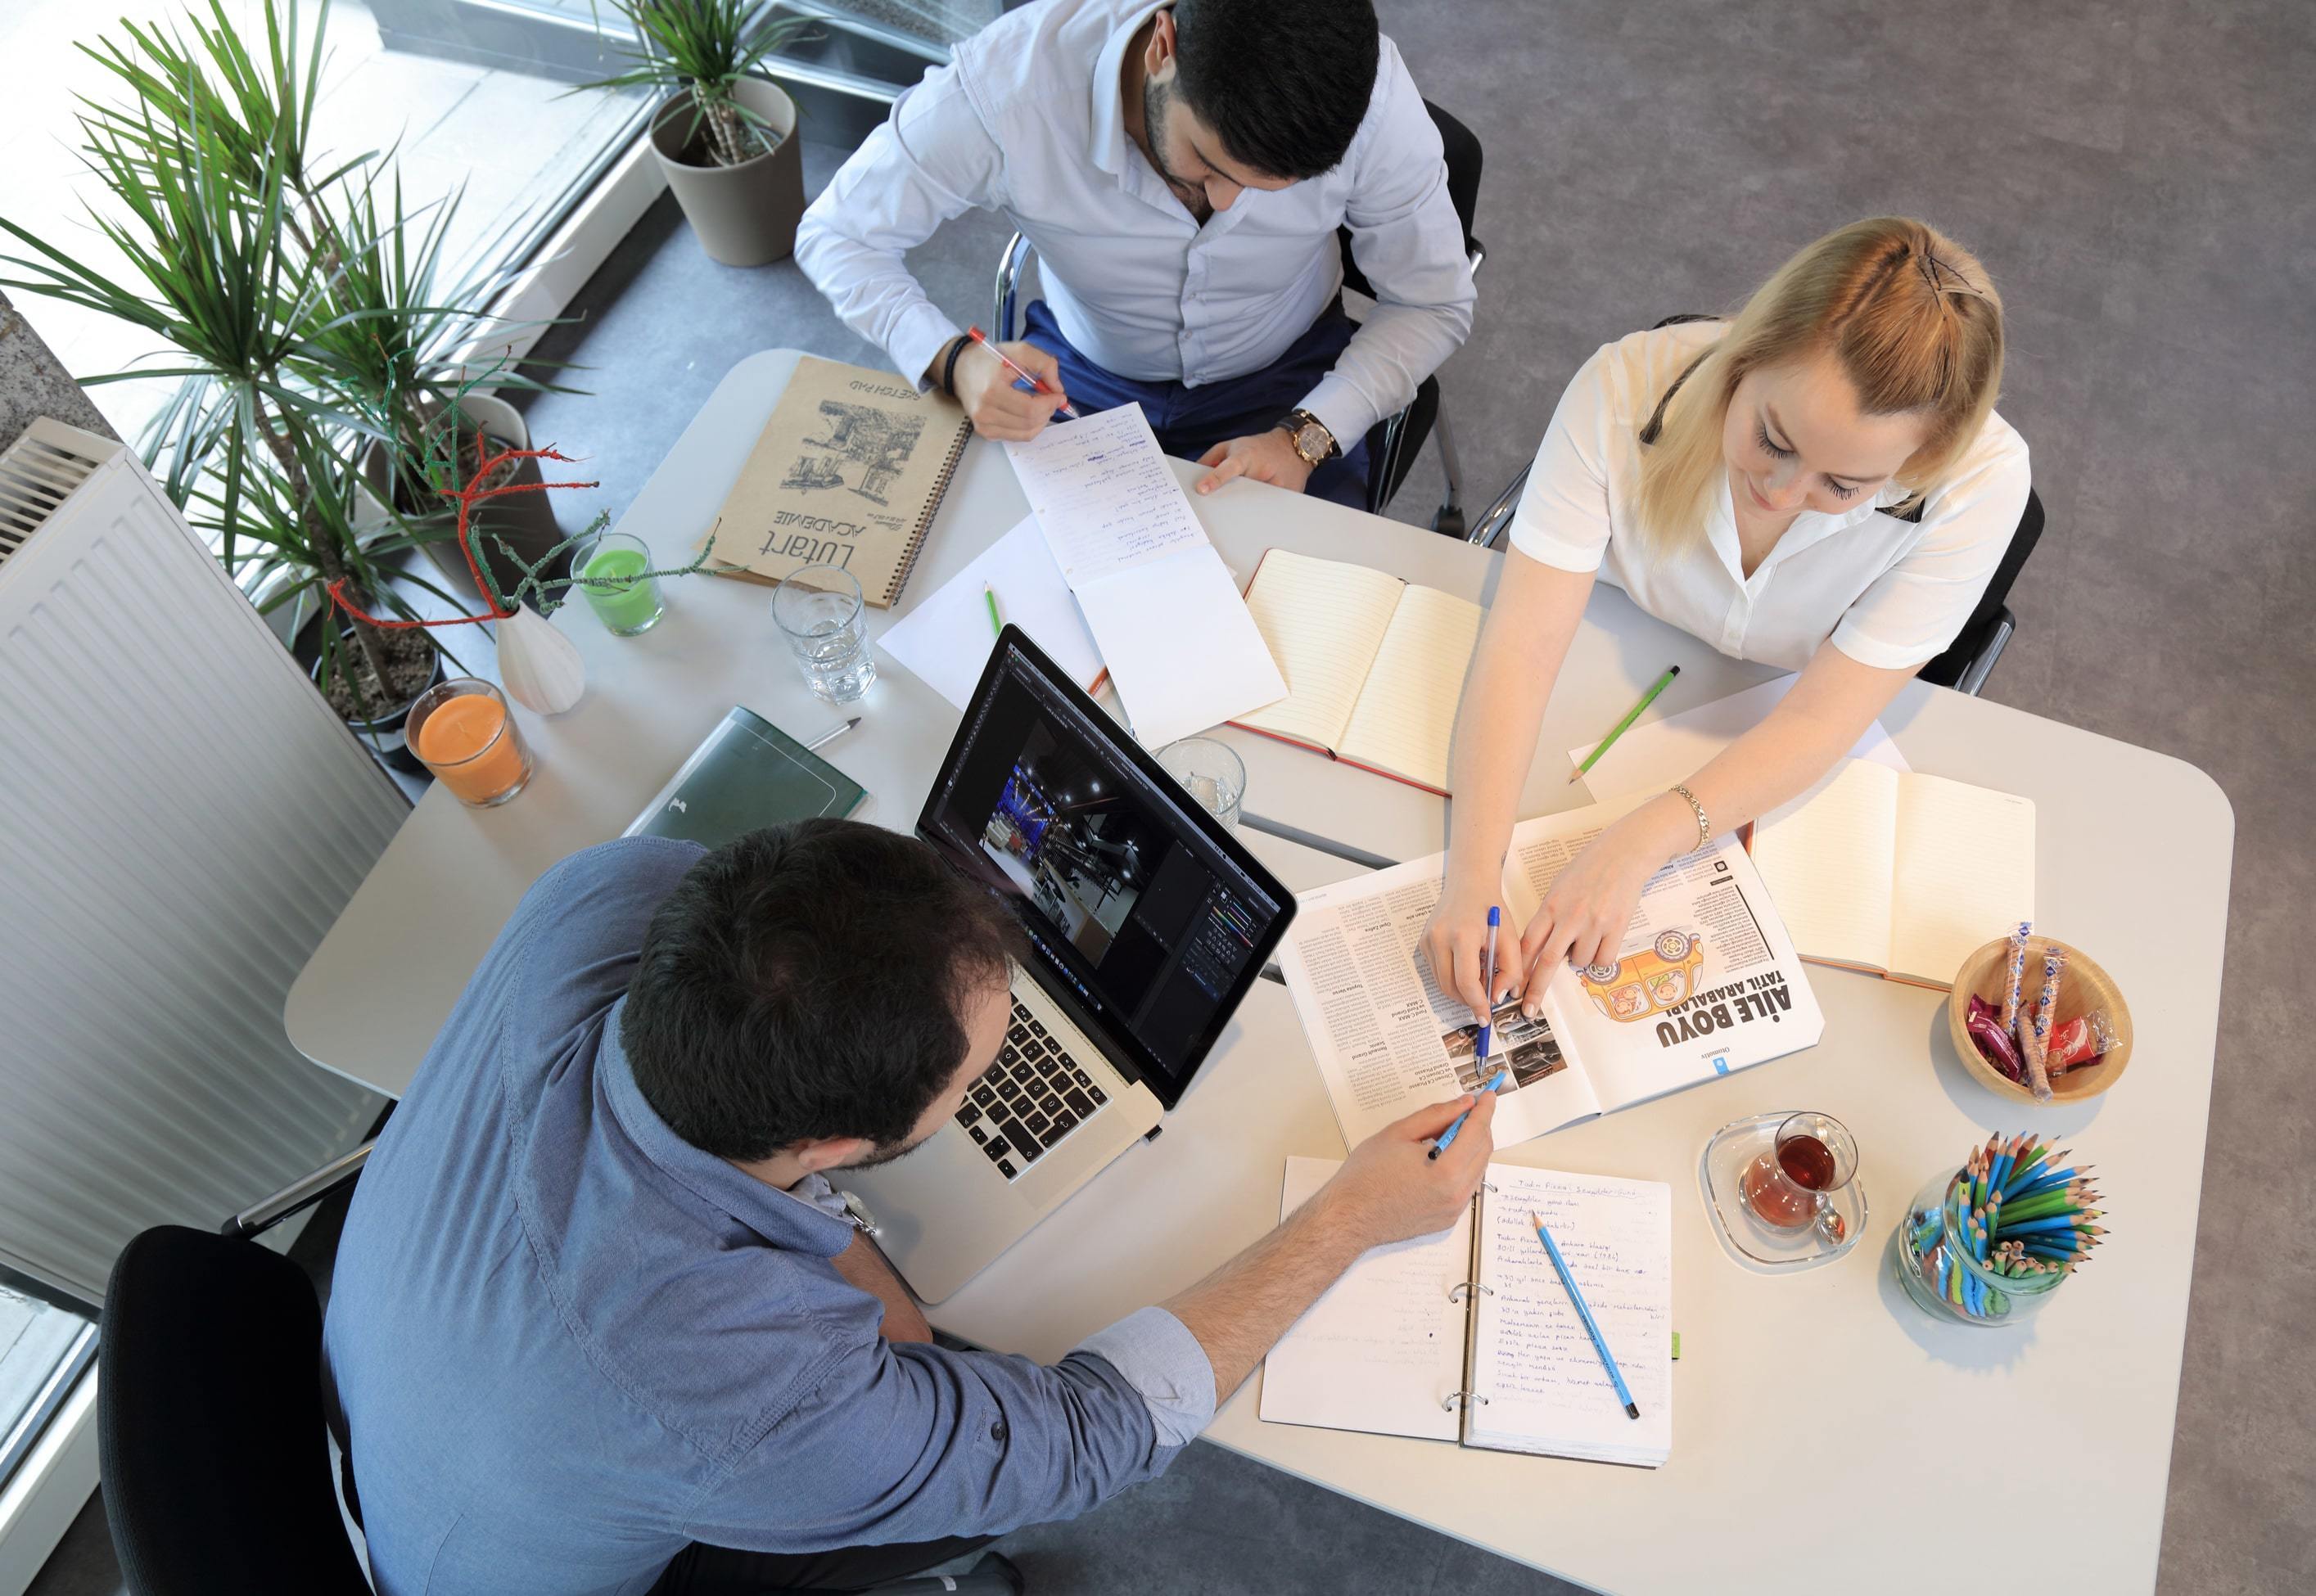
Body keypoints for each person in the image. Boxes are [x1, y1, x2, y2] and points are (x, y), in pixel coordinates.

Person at [325, 820, 1496, 1596]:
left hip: (394, 1381)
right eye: (975, 1078)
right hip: (481, 1561)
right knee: (954, 1443)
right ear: (834, 1148)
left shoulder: (609, 886)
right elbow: (1087, 1438)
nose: (990, 1069)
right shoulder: (744, 1390)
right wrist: (1346, 1219)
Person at [1423, 217, 2029, 1020]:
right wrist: (1471, 876)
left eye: (1842, 486)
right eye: (1772, 439)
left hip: (1776, 727)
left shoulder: (1980, 486)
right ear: (1744, 355)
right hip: (1599, 668)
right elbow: (1524, 644)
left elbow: (1820, 719)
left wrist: (1642, 842)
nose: (1781, 493)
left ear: (1917, 465)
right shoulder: (1622, 390)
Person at [792, 0, 1474, 509]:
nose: (1228, 205)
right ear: (1162, 47)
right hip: (1078, 379)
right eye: (1209, 164)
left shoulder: (1376, 101)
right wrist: (953, 358)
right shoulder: (1008, 92)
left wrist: (1306, 435)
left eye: (1267, 189)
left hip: (1289, 380)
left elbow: (1433, 301)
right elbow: (836, 234)